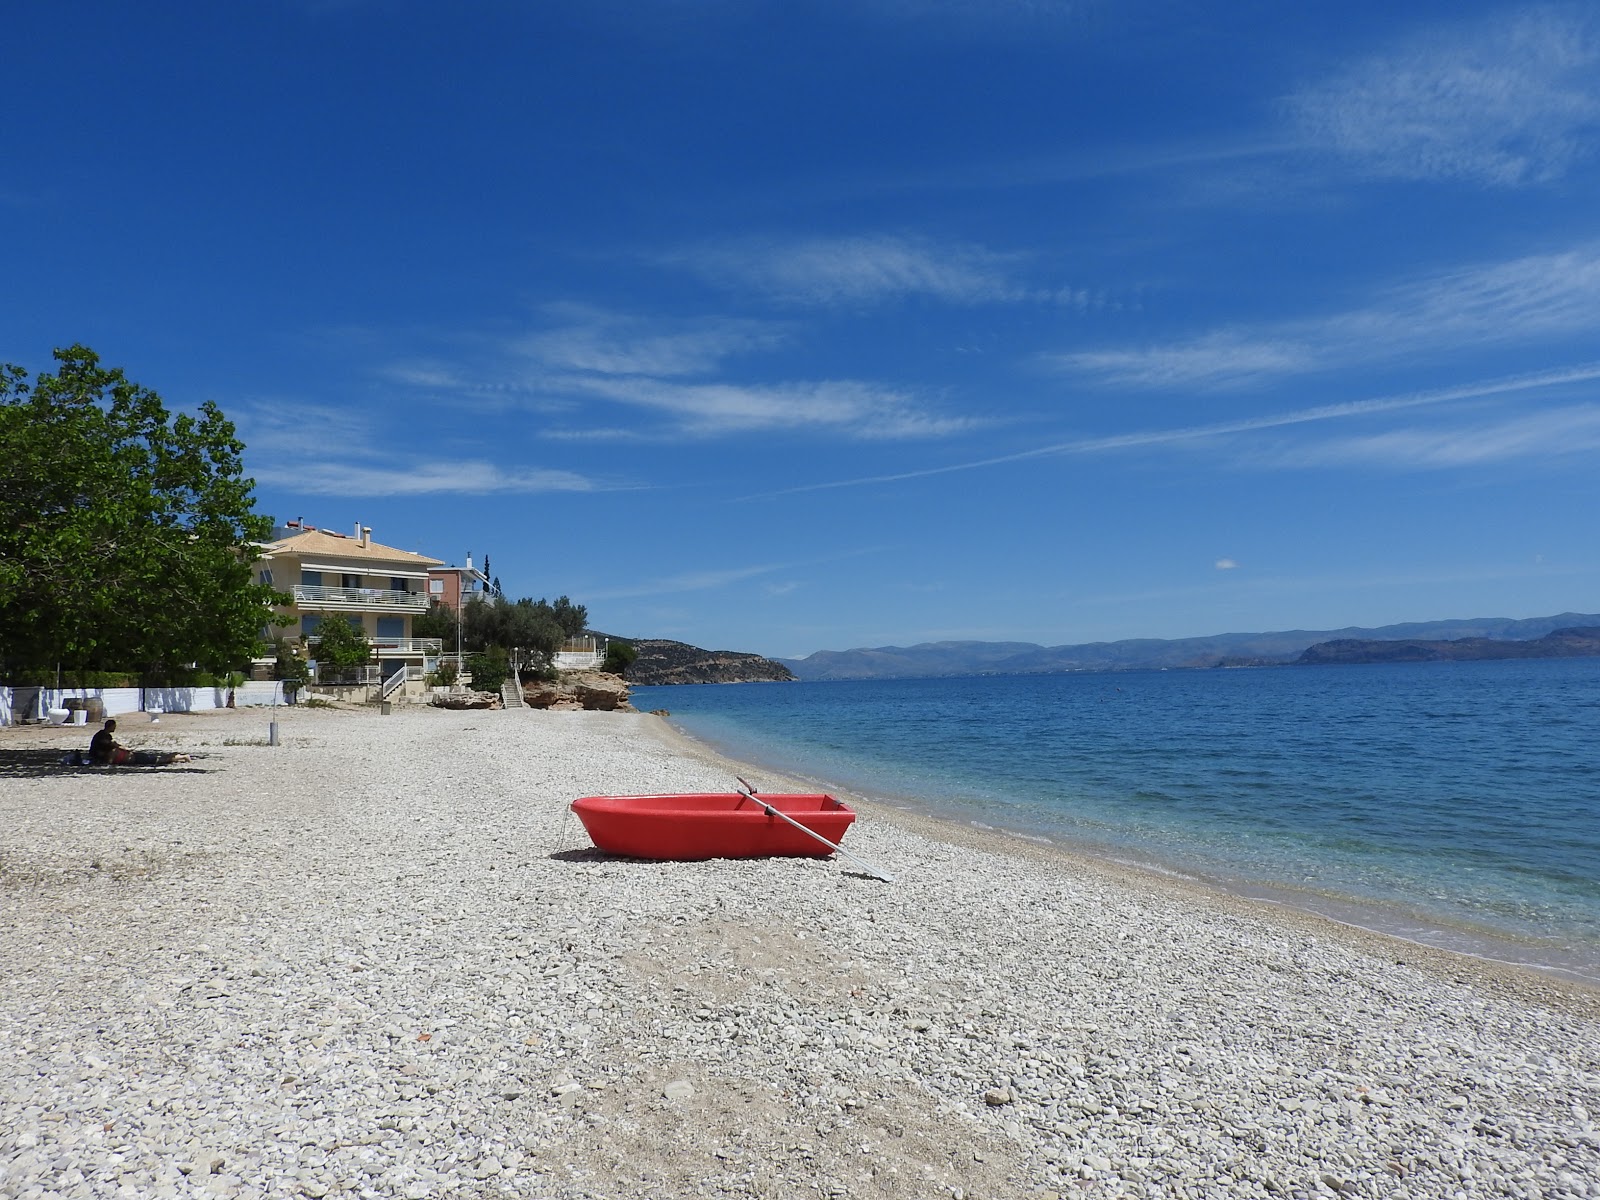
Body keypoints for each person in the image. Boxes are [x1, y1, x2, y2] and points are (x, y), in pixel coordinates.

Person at [87, 719, 191, 767]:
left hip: (128, 757)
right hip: (128, 757)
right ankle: (181, 757)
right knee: (154, 759)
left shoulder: (103, 736)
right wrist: (124, 748)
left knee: (155, 759)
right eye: (114, 726)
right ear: (110, 727)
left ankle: (180, 757)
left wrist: (123, 748)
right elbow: (112, 745)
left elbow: (112, 745)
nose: (115, 728)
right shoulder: (103, 738)